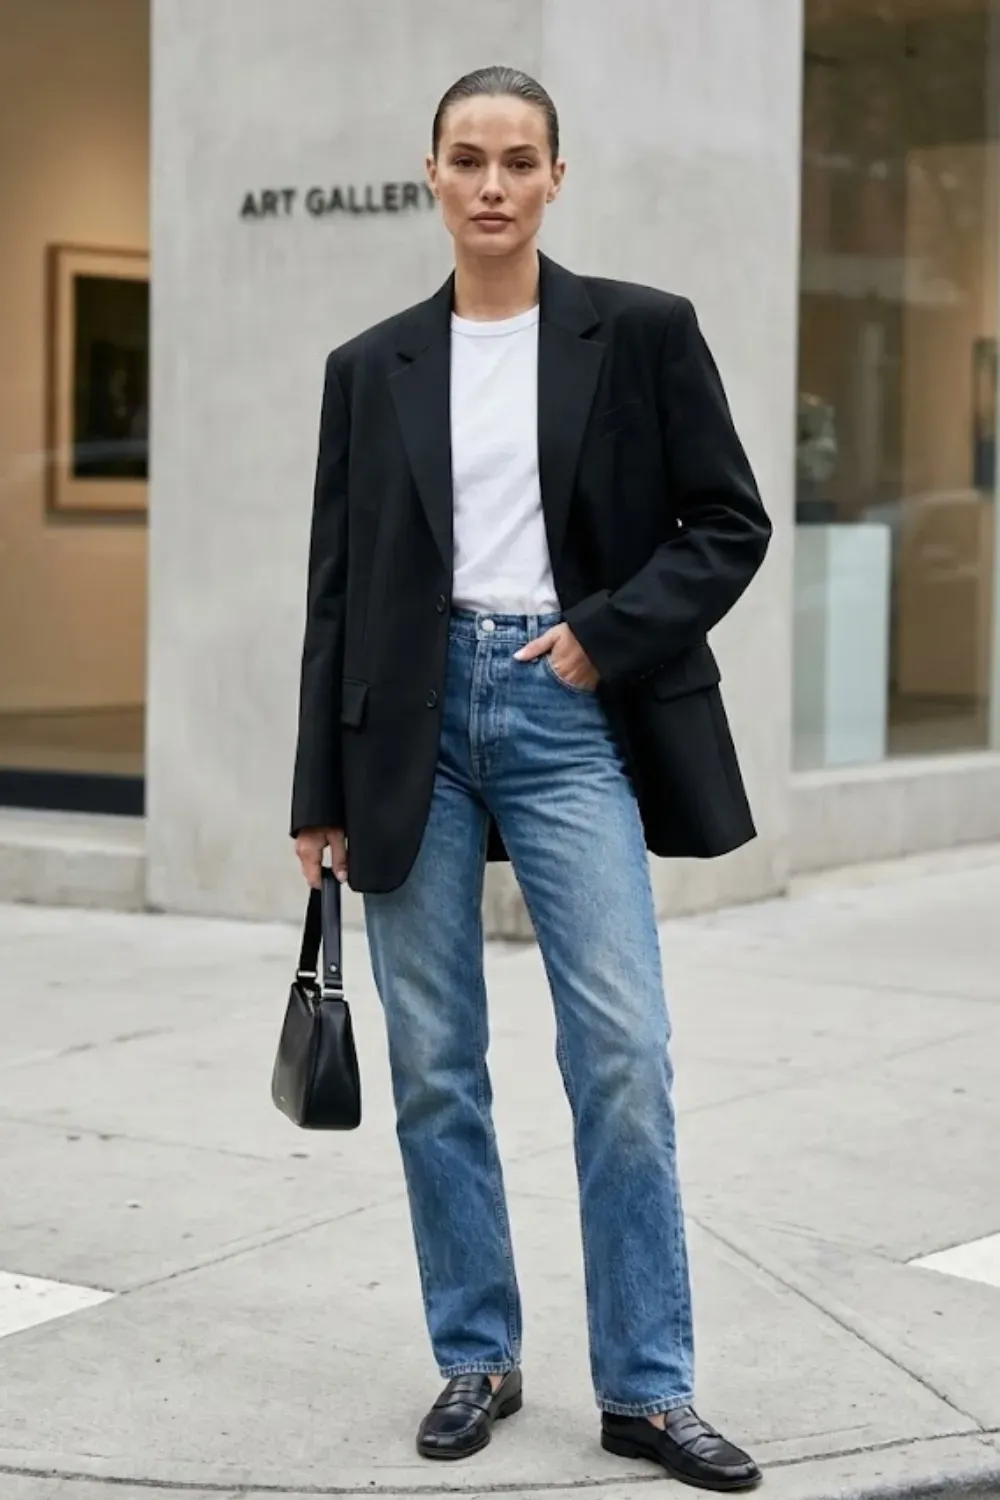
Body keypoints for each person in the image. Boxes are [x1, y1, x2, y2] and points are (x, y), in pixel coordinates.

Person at [291, 64, 771, 1492]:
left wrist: (601, 640)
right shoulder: (367, 367)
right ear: (430, 178)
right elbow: (334, 594)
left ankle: (649, 1386)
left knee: (622, 1054)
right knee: (437, 1066)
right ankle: (478, 1354)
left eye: (517, 160)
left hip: (567, 713)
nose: (492, 184)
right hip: (409, 728)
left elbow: (728, 523)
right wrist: (315, 790)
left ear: (558, 177)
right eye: (466, 159)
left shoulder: (640, 333)